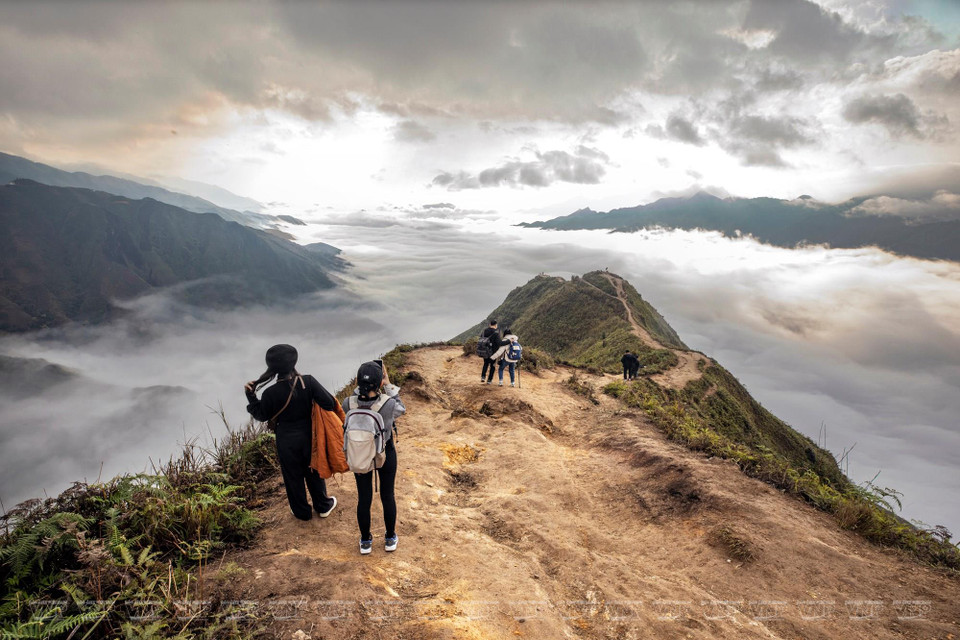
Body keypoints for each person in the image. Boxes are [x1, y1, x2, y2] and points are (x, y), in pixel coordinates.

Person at [245, 344, 338, 521]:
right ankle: (323, 506)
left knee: (292, 476)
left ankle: (302, 512)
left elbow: (261, 415)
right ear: (294, 361)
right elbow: (329, 403)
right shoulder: (308, 382)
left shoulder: (270, 393)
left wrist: (251, 397)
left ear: (270, 366)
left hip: (285, 440)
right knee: (313, 469)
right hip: (309, 436)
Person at [343, 360, 406, 555]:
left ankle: (365, 541)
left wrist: (362, 386)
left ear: (357, 381)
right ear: (379, 383)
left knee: (364, 498)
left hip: (360, 454)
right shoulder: (388, 404)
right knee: (388, 496)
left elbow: (357, 398)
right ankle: (389, 538)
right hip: (384, 453)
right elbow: (401, 408)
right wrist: (387, 384)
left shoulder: (348, 403)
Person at [479, 319, 501, 385]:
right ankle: (489, 380)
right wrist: (508, 341)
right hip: (493, 352)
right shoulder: (496, 333)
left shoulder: (485, 331)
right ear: (495, 325)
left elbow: (481, 338)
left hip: (485, 351)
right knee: (492, 366)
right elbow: (499, 343)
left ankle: (483, 377)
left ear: (490, 324)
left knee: (485, 363)